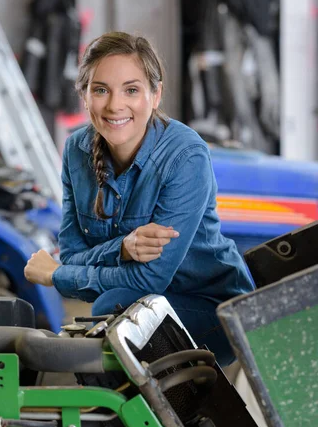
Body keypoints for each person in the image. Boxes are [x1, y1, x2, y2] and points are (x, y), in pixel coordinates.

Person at [24, 31, 254, 366]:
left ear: (155, 94)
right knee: (112, 312)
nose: (115, 105)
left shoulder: (185, 155)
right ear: (84, 96)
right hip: (147, 307)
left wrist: (56, 274)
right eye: (100, 90)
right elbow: (73, 254)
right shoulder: (77, 150)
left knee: (113, 307)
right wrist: (121, 248)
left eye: (131, 90)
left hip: (216, 311)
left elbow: (149, 279)